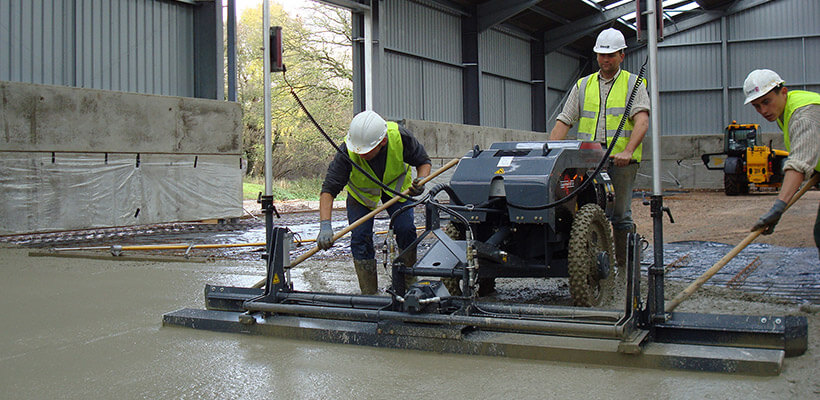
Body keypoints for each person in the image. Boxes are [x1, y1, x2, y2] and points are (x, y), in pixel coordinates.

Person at [549, 28, 650, 269]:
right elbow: (564, 120)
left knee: (621, 215)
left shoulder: (633, 84)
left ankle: (625, 269)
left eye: (611, 55)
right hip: (587, 161)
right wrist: (549, 151)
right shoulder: (583, 85)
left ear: (622, 56)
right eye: (601, 55)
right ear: (596, 56)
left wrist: (628, 152)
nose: (605, 59)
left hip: (620, 161)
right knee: (580, 212)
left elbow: (642, 121)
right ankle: (588, 265)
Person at [316, 110, 431, 294]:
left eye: (366, 152)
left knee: (406, 229)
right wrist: (325, 225)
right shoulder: (347, 149)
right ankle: (369, 293)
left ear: (382, 142)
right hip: (361, 195)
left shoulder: (400, 137)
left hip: (396, 190)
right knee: (360, 237)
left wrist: (421, 181)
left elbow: (423, 161)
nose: (360, 155)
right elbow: (328, 190)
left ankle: (408, 281)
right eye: (357, 151)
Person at [743, 69, 820, 255]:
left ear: (783, 92)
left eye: (766, 102)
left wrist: (778, 208)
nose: (763, 111)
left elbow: (798, 164)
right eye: (757, 106)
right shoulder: (784, 111)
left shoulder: (803, 115)